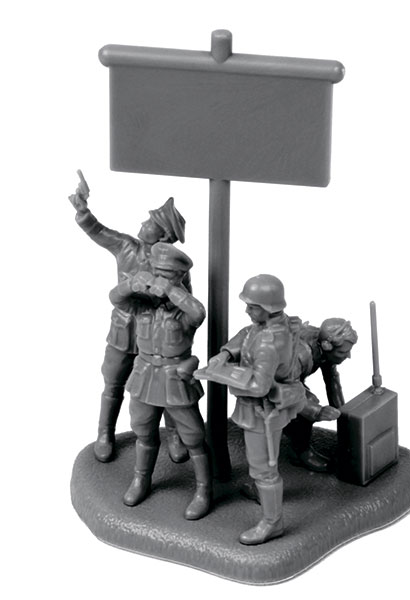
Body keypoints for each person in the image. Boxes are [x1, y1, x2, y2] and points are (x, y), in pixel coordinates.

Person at [202, 274, 340, 545]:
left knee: (264, 470)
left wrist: (220, 374)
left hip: (263, 413)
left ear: (267, 308)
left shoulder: (269, 343)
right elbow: (246, 335)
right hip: (260, 411)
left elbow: (258, 386)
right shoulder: (269, 327)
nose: (247, 310)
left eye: (252, 306)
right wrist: (226, 353)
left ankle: (272, 522)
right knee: (260, 466)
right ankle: (262, 495)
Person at [68, 176, 188, 463]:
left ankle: (174, 435)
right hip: (123, 331)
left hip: (157, 336)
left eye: (152, 222)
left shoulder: (175, 264)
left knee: (166, 386)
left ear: (163, 236)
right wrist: (83, 211)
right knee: (113, 383)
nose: (144, 223)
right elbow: (98, 231)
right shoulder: (126, 247)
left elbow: (186, 303)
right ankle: (105, 432)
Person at [109, 242, 212, 520]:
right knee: (143, 431)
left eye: (166, 274)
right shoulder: (143, 306)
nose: (158, 279)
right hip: (145, 376)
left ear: (179, 277)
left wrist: (171, 290)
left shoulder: (184, 310)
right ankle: (141, 480)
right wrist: (133, 284)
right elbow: (115, 298)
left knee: (194, 437)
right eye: (157, 272)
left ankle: (203, 490)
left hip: (174, 378)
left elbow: (198, 312)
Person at [284, 318, 358, 472]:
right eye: (343, 352)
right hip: (271, 383)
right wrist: (316, 411)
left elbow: (331, 380)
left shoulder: (323, 345)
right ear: (327, 346)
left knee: (308, 401)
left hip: (289, 380)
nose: (349, 356)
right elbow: (287, 391)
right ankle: (300, 452)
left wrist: (343, 415)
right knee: (308, 404)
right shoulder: (300, 355)